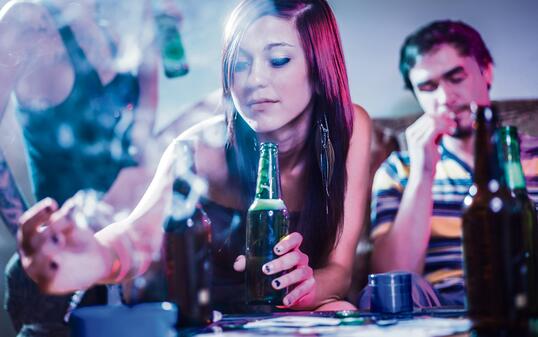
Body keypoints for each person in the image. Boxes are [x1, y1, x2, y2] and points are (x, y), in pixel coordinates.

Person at [16, 0, 372, 313]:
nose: (253, 80)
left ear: (319, 64)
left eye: (278, 60)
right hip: (201, 319)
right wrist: (92, 261)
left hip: (291, 317)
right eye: (239, 63)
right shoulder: (197, 148)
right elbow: (135, 237)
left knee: (339, 308)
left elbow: (339, 271)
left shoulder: (349, 129)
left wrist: (303, 290)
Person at [0, 0, 197, 336]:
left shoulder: (109, 17)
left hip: (125, 263)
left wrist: (154, 37)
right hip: (63, 270)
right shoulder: (28, 19)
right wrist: (30, 233)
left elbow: (139, 135)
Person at [368, 20, 538, 306]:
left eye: (456, 78)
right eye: (428, 87)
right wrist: (423, 172)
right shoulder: (398, 170)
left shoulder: (533, 156)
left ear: (486, 71)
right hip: (439, 303)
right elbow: (392, 282)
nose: (445, 98)